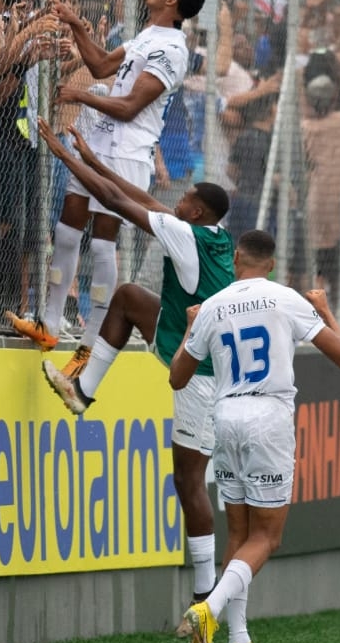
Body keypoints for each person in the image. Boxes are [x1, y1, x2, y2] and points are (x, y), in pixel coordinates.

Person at [32, 119, 234, 604]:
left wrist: (65, 156)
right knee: (126, 298)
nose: (176, 201)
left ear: (199, 209)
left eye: (185, 199)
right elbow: (139, 200)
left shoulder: (188, 235)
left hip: (200, 373)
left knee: (189, 481)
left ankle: (204, 598)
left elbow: (122, 203)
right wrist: (94, 159)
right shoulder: (211, 234)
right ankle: (80, 391)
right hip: (191, 344)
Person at [170, 230, 340, 643]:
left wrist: (190, 329)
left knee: (238, 535)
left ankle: (239, 635)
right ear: (271, 264)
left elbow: (177, 377)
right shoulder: (286, 298)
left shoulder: (214, 306)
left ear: (236, 258)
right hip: (268, 418)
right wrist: (324, 311)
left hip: (226, 416)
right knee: (267, 537)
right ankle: (210, 609)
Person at [8, 0, 206, 349]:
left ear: (173, 3)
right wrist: (74, 24)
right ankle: (48, 325)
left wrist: (80, 98)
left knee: (102, 244)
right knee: (66, 229)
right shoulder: (146, 36)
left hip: (128, 153)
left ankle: (88, 343)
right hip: (100, 142)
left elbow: (130, 107)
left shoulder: (172, 50)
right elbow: (100, 66)